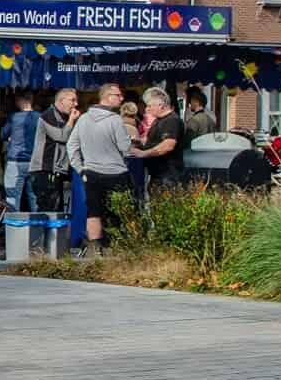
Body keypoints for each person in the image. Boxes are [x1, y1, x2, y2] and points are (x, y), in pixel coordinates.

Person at [66, 83, 138, 258]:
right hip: (116, 173)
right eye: (118, 95)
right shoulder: (115, 120)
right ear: (107, 97)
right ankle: (119, 246)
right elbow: (125, 148)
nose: (121, 98)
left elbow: (71, 145)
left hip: (91, 173)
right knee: (121, 210)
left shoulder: (83, 119)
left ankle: (95, 248)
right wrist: (133, 140)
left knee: (94, 211)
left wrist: (80, 168)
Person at [30, 88, 80, 212]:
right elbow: (61, 136)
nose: (76, 104)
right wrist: (72, 120)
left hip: (57, 171)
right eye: (72, 100)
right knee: (48, 209)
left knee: (57, 209)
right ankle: (43, 232)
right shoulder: (48, 115)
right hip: (45, 170)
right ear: (61, 101)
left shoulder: (65, 117)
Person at [136, 87, 184, 189]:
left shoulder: (172, 120)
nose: (146, 109)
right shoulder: (158, 120)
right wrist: (138, 142)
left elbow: (168, 145)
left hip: (168, 176)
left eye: (149, 106)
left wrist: (144, 153)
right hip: (157, 175)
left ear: (160, 105)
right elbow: (153, 141)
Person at [2, 92, 39, 209]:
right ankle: (37, 226)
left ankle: (14, 227)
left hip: (16, 160)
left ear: (20, 100)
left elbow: (3, 134)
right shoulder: (40, 117)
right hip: (34, 162)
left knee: (12, 197)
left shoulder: (14, 117)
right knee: (34, 197)